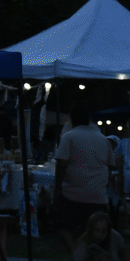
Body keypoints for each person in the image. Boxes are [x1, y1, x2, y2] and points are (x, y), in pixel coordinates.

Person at [52, 106, 113, 248]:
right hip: (98, 194)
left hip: (73, 194)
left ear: (72, 120)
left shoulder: (69, 137)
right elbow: (109, 165)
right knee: (93, 231)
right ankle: (88, 253)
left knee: (61, 225)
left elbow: (61, 164)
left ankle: (75, 251)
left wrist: (58, 186)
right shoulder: (103, 139)